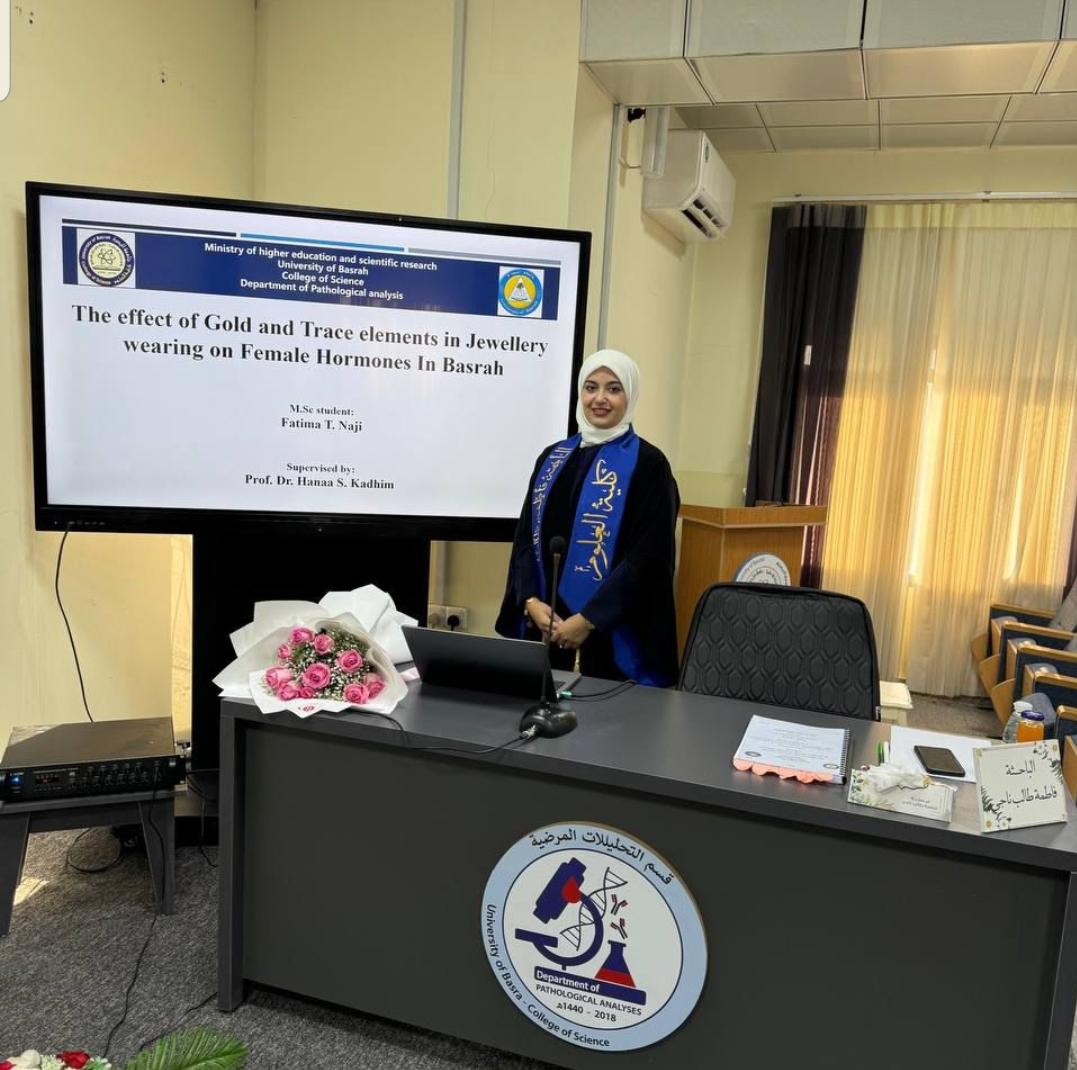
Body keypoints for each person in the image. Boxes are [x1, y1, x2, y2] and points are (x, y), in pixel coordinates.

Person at [495, 349, 680, 686]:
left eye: (614, 389)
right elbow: (525, 538)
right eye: (591, 387)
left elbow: (649, 557)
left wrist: (589, 619)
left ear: (630, 395)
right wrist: (530, 601)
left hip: (610, 635)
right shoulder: (553, 458)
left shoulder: (650, 466)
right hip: (546, 626)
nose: (600, 398)